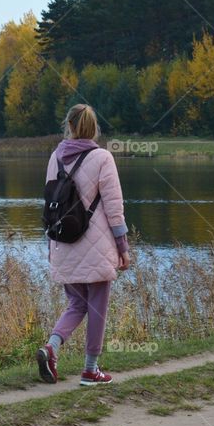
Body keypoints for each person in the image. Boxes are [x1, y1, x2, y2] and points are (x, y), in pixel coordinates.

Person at [37, 104, 130, 386]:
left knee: (76, 302)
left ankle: (52, 347)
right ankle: (90, 370)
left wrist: (50, 247)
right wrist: (123, 246)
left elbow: (50, 204)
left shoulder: (56, 157)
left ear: (69, 126)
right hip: (97, 246)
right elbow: (114, 208)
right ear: (94, 128)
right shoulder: (102, 157)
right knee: (97, 307)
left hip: (63, 242)